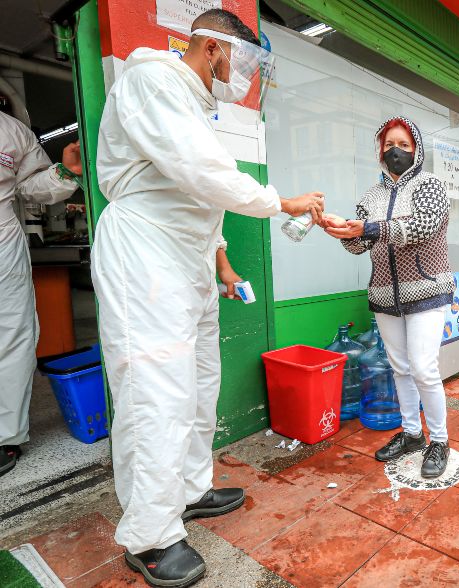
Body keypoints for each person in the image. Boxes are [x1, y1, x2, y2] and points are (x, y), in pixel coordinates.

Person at [91, 10, 324, 587]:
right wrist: (280, 202)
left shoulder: (195, 105)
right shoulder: (151, 80)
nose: (244, 75)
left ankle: (190, 491)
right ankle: (149, 536)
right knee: (154, 391)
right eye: (243, 61)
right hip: (144, 254)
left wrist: (220, 262)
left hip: (188, 259)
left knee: (198, 383)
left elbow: (199, 197)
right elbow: (201, 172)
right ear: (215, 50)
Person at [324, 116, 454, 479]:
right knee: (400, 368)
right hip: (385, 294)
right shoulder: (371, 196)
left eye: (404, 145)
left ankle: (439, 440)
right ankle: (412, 433)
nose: (395, 150)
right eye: (388, 144)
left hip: (427, 290)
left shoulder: (431, 186)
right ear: (380, 151)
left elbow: (421, 227)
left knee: (424, 369)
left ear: (417, 150)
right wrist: (341, 231)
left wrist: (369, 228)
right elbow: (360, 244)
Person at [0, 111, 81, 478]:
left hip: (2, 238)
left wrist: (64, 174)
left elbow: (30, 186)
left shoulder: (10, 130)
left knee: (13, 334)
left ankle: (5, 437)